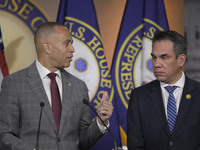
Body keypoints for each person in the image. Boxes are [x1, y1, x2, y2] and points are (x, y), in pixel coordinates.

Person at [0, 22, 113, 150]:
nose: (72, 49)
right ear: (47, 47)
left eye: (72, 43)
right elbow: (4, 135)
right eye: (67, 43)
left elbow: (82, 141)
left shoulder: (78, 87)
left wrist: (100, 122)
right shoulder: (15, 83)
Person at [127, 30, 200, 150]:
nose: (156, 64)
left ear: (181, 60)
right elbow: (135, 146)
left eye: (164, 57)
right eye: (154, 57)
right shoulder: (139, 97)